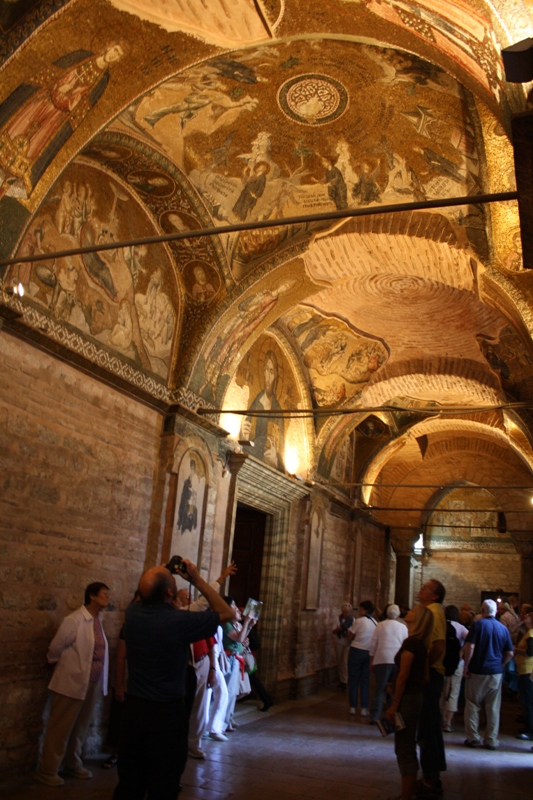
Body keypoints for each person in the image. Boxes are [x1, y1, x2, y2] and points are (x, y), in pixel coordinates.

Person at [112, 561, 235, 800]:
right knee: (164, 783)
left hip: (135, 710)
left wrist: (163, 569)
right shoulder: (177, 622)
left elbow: (146, 592)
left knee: (130, 782)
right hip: (166, 714)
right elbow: (226, 613)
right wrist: (196, 580)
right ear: (169, 593)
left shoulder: (133, 613)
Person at [35, 582, 110, 787]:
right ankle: (48, 769)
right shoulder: (75, 620)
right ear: (92, 596)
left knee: (81, 725)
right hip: (72, 680)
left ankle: (72, 762)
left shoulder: (97, 620)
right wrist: (65, 667)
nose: (107, 598)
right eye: (104, 594)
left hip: (91, 681)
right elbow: (55, 648)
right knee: (61, 726)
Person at [387, 605, 434, 800]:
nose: (409, 611)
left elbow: (403, 675)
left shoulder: (412, 643)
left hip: (407, 699)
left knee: (404, 746)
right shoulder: (421, 643)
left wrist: (395, 703)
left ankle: (406, 795)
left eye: (414, 610)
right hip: (416, 697)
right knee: (407, 744)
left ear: (419, 619)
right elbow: (425, 677)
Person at [463, 598, 514, 750]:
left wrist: (466, 665)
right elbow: (510, 653)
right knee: (492, 707)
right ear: (496, 611)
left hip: (478, 670)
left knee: (472, 704)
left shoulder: (478, 625)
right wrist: (501, 665)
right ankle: (491, 739)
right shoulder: (503, 628)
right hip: (495, 672)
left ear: (482, 611)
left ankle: (473, 738)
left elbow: (470, 646)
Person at [415, 579, 447, 799]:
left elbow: (438, 645)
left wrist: (424, 669)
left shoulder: (434, 612)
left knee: (427, 727)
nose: (422, 588)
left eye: (426, 587)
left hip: (430, 675)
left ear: (435, 595)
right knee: (430, 726)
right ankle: (432, 776)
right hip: (431, 674)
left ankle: (429, 780)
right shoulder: (428, 609)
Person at [369, 603, 408, 722]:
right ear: (399, 614)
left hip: (382, 658)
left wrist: (372, 660)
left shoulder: (380, 625)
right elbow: (405, 645)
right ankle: (393, 716)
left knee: (380, 688)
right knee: (395, 689)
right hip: (396, 660)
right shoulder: (403, 627)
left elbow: (373, 643)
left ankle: (375, 716)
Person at [221, 595, 255, 731]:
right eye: (233, 605)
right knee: (228, 692)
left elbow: (242, 639)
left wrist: (249, 626)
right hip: (230, 659)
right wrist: (246, 622)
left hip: (236, 659)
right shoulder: (225, 623)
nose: (236, 608)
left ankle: (227, 719)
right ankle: (221, 722)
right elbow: (238, 638)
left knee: (233, 692)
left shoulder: (232, 623)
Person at [440, 605, 469, 732]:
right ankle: (448, 722)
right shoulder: (461, 628)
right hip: (457, 663)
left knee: (441, 692)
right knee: (453, 693)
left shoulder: (441, 625)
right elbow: (470, 642)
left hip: (440, 662)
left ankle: (440, 719)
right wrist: (462, 651)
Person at [347, 600, 377, 717]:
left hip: (356, 651)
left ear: (364, 609)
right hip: (368, 652)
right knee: (365, 680)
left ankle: (353, 707)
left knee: (353, 679)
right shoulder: (375, 622)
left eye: (360, 609)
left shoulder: (359, 621)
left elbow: (350, 636)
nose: (359, 611)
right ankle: (364, 708)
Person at [514, 610, 533, 741]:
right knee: (526, 701)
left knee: (529, 702)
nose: (525, 616)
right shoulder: (528, 632)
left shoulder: (531, 634)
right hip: (524, 669)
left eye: (528, 616)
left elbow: (530, 652)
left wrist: (515, 649)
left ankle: (530, 730)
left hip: (528, 670)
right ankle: (528, 726)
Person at [332, 602, 354, 688]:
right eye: (345, 612)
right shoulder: (337, 619)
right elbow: (333, 631)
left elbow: (354, 631)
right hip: (339, 641)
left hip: (348, 642)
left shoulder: (353, 620)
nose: (346, 614)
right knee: (339, 661)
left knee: (345, 661)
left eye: (348, 612)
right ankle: (341, 678)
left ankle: (344, 680)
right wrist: (339, 628)